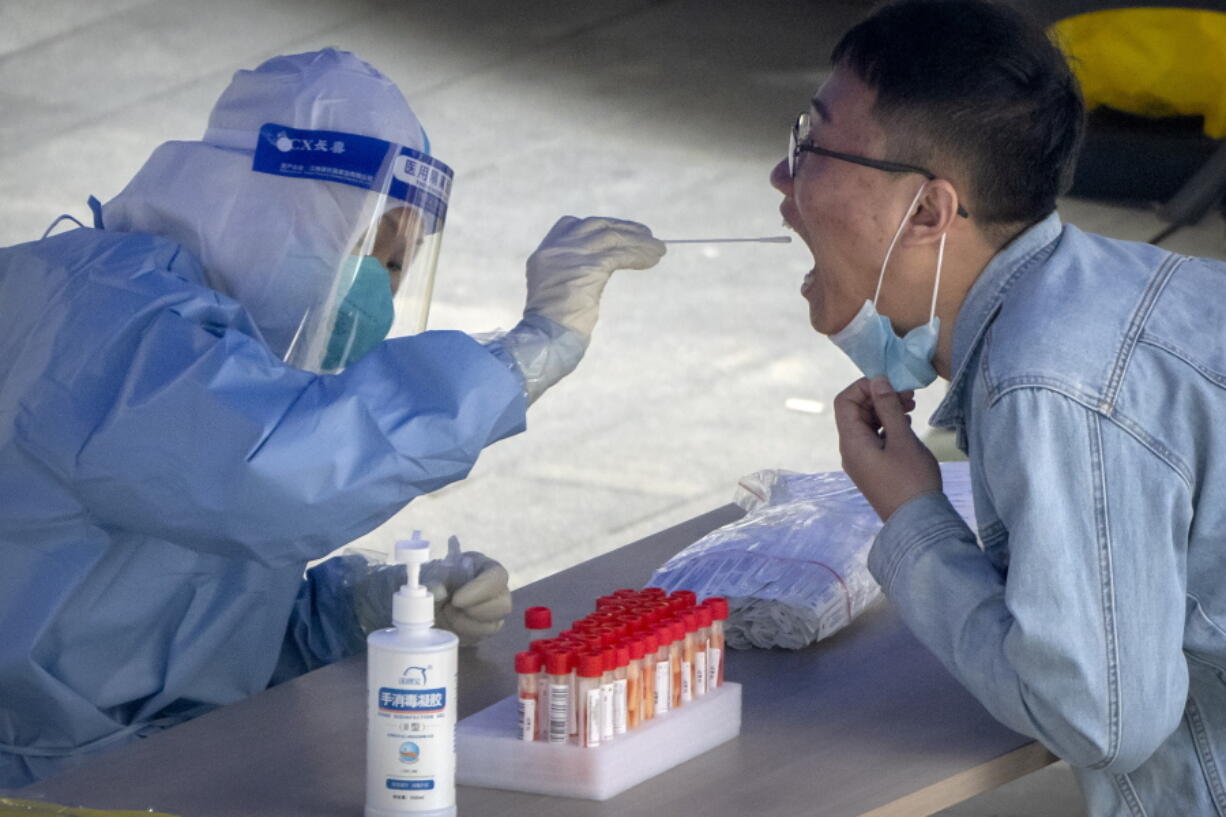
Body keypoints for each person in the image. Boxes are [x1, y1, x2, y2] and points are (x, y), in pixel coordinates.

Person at [0, 48, 664, 787]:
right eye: (368, 249)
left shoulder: (222, 343)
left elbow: (175, 617)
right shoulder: (105, 325)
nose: (380, 290)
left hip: (133, 767)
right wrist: (527, 353)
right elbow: (281, 477)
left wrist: (362, 610)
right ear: (272, 211)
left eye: (400, 263)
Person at [772, 1, 1226, 814]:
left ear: (928, 212)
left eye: (811, 143)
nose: (782, 180)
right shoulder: (1106, 290)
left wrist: (912, 514)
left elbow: (1104, 717)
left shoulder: (1048, 382)